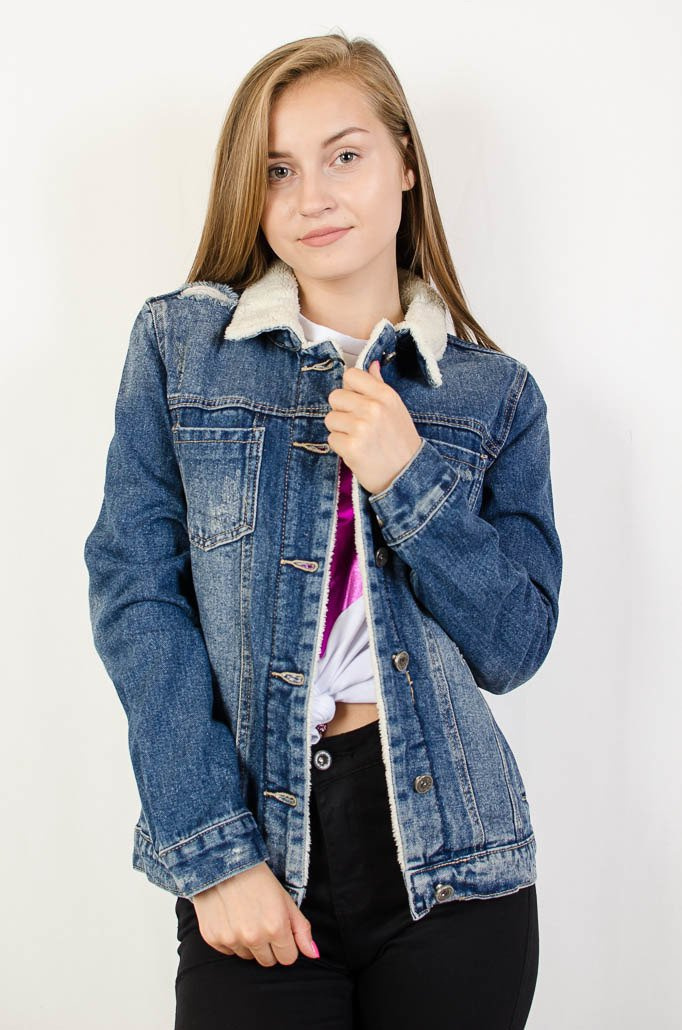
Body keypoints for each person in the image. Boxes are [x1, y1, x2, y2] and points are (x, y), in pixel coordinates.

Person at [83, 29, 562, 1030]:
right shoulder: (182, 347)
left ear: (405, 165)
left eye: (345, 155)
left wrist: (408, 479)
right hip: (259, 841)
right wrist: (213, 855)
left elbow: (514, 646)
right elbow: (136, 596)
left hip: (453, 863)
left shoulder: (495, 395)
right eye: (277, 170)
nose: (312, 197)